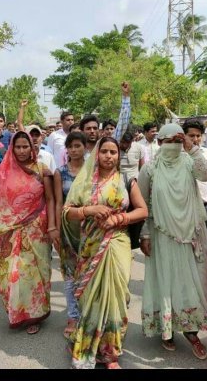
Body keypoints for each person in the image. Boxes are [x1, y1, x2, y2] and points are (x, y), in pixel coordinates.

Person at [62, 136, 148, 369]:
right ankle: (87, 344)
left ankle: (110, 354)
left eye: (113, 152)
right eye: (105, 152)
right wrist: (88, 210)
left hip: (118, 242)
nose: (109, 156)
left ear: (119, 156)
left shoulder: (127, 180)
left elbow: (142, 210)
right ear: (97, 155)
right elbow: (67, 212)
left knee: (117, 296)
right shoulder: (85, 182)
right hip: (90, 244)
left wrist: (120, 218)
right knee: (91, 298)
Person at [138, 123, 207, 360]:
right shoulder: (149, 169)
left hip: (191, 234)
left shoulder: (189, 163)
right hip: (161, 235)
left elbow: (205, 174)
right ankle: (166, 329)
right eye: (170, 142)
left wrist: (192, 148)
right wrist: (145, 234)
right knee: (165, 282)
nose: (175, 146)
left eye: (179, 142)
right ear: (159, 143)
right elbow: (143, 203)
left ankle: (192, 333)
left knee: (191, 284)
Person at [0, 131, 60, 335]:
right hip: (9, 231)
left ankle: (34, 314)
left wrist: (52, 225)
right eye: (18, 147)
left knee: (36, 274)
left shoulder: (42, 170)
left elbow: (51, 199)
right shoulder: (3, 171)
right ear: (12, 148)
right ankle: (18, 312)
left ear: (32, 148)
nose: (22, 150)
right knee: (13, 275)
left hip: (38, 230)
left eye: (26, 146)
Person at [53, 131, 86, 339]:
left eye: (77, 145)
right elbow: (57, 202)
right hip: (67, 229)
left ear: (85, 147)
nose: (74, 150)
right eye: (70, 146)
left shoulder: (93, 170)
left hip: (90, 229)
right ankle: (73, 316)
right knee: (70, 275)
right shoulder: (61, 172)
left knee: (89, 273)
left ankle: (89, 313)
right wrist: (56, 229)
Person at [182, 119, 207, 230]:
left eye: (198, 135)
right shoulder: (177, 155)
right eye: (191, 135)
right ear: (184, 136)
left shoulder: (206, 154)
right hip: (186, 208)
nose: (195, 139)